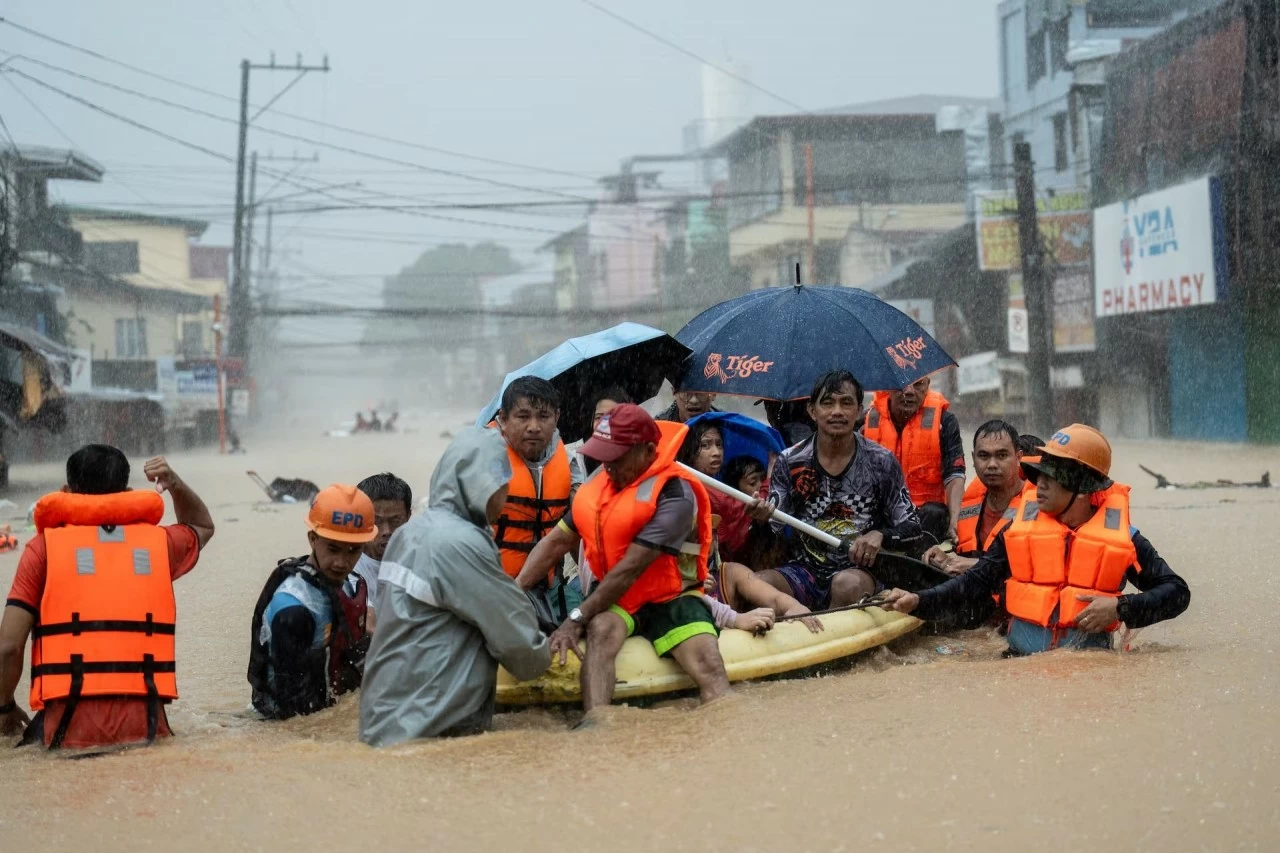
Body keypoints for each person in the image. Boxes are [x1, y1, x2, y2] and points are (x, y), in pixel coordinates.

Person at [881, 424, 1192, 655]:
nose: (1037, 485)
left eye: (1049, 479)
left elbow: (1177, 593)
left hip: (1088, 673)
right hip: (1016, 664)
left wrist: (1120, 608)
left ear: (1082, 489)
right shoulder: (1016, 534)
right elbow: (973, 585)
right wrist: (919, 601)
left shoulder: (1126, 541)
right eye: (1037, 475)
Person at [0, 446, 215, 750]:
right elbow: (203, 526)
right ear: (126, 492)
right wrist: (174, 483)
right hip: (146, 723)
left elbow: (8, 648)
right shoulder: (158, 545)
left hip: (67, 727)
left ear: (66, 491)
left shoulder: (43, 550)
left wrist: (5, 708)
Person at [520, 404, 730, 712]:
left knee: (708, 662)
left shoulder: (676, 494)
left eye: (616, 457)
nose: (607, 467)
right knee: (601, 630)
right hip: (616, 598)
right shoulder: (597, 487)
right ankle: (597, 723)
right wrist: (515, 588)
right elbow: (556, 542)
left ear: (647, 450)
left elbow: (630, 569)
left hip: (671, 596)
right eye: (604, 456)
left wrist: (575, 619)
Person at [359, 428, 550, 745]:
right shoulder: (458, 543)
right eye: (504, 487)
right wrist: (547, 653)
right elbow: (520, 646)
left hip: (385, 719)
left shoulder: (413, 532)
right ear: (487, 487)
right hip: (428, 728)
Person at [748, 370, 924, 610]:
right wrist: (759, 520)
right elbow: (774, 531)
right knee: (757, 584)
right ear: (812, 411)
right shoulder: (789, 461)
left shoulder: (881, 461)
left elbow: (913, 528)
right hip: (804, 571)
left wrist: (881, 535)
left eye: (846, 402)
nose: (837, 411)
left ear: (859, 410)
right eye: (828, 403)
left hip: (860, 573)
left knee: (845, 584)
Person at [248, 485, 376, 720]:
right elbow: (292, 711)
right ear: (312, 539)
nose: (341, 562)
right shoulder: (293, 609)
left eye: (353, 550)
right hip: (277, 725)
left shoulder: (349, 585)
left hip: (326, 707)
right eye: (333, 548)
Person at [492, 377, 582, 623]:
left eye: (543, 416)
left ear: (557, 417)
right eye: (523, 417)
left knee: (588, 620)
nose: (533, 426)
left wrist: (593, 585)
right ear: (503, 418)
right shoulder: (483, 459)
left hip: (549, 586)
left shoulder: (570, 463)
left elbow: (578, 530)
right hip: (492, 585)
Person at [862, 375, 966, 543]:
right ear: (887, 386)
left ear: (928, 385)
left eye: (918, 385)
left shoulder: (944, 422)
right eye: (901, 384)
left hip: (926, 519)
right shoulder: (864, 423)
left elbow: (955, 475)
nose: (909, 392)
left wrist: (955, 520)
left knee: (936, 512)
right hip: (882, 517)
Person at [923, 420, 1026, 577]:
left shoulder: (1039, 506)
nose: (992, 464)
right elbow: (966, 559)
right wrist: (946, 559)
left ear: (1019, 457)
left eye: (1002, 455)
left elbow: (1039, 567)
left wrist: (975, 565)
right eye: (983, 456)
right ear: (973, 459)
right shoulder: (969, 506)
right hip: (972, 593)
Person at [344, 472, 413, 633]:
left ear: (408, 516)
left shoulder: (421, 558)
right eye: (376, 521)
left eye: (396, 521)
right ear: (359, 518)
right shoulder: (346, 563)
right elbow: (369, 624)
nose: (386, 531)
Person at [571, 386, 633, 480]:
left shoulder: (637, 457)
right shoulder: (574, 458)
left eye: (612, 417)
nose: (604, 424)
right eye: (598, 417)